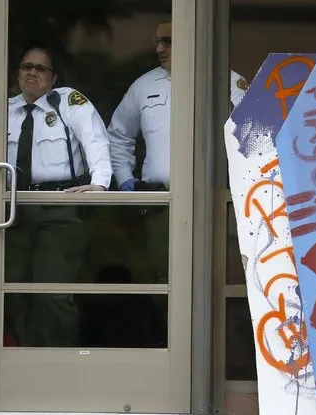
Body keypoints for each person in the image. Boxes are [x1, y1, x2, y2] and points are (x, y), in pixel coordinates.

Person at [106, 21, 248, 285]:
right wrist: (126, 179)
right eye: (158, 41)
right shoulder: (144, 86)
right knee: (164, 282)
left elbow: (254, 135)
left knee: (212, 283)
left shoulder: (225, 81)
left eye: (168, 41)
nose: (160, 48)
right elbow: (119, 135)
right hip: (162, 203)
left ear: (190, 39)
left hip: (212, 203)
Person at [4, 44, 112, 347]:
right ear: (17, 73)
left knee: (52, 292)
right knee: (12, 291)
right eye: (27, 67)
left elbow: (96, 141)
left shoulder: (67, 102)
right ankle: (27, 357)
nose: (32, 73)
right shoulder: (4, 109)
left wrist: (100, 183)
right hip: (14, 209)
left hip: (59, 207)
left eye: (40, 69)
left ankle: (59, 360)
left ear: (53, 77)